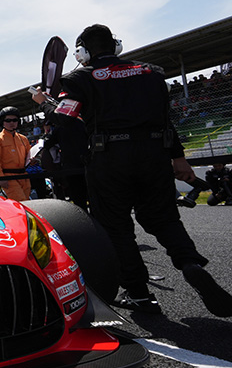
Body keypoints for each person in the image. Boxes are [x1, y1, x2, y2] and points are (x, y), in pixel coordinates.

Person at [32, 23, 232, 316]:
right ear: (115, 46)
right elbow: (165, 120)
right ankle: (190, 262)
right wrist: (178, 158)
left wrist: (44, 103)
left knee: (116, 227)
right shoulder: (151, 72)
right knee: (165, 218)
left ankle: (139, 294)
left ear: (83, 52)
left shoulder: (78, 78)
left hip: (109, 159)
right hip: (154, 154)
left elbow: (63, 118)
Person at [0, 106, 31, 201]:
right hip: (9, 178)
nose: (12, 123)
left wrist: (33, 160)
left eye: (15, 120)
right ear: (2, 122)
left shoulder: (23, 139)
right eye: (8, 120)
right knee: (21, 202)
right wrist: (1, 178)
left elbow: (29, 156)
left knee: (27, 202)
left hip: (24, 176)